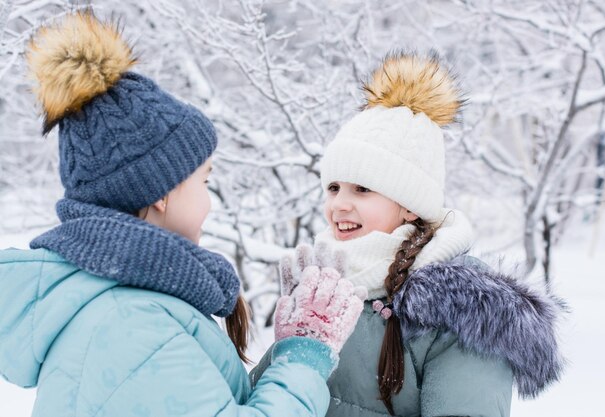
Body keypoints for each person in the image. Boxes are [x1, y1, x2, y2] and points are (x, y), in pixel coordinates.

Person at [0, 11, 365, 417]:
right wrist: (303, 359)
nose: (209, 201)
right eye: (204, 182)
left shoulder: (127, 301)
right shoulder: (130, 322)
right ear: (161, 192)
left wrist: (290, 352)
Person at [251, 52, 565, 417]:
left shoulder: (465, 310)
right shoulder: (323, 291)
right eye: (334, 187)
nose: (339, 204)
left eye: (362, 189)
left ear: (410, 204)